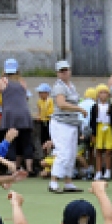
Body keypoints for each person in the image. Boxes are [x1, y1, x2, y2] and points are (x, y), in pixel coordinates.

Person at [46, 61, 85, 193]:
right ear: (57, 73)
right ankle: (53, 182)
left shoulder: (71, 86)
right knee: (63, 153)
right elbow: (61, 104)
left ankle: (68, 182)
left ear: (70, 70)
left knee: (71, 153)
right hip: (61, 123)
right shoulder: (59, 87)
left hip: (71, 123)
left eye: (66, 70)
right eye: (61, 71)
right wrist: (79, 109)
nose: (64, 73)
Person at [0, 58, 35, 176]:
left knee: (11, 142)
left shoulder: (2, 82)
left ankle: (12, 169)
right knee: (26, 142)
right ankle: (29, 169)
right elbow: (25, 97)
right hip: (24, 114)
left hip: (9, 115)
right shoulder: (22, 82)